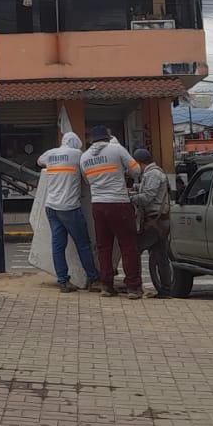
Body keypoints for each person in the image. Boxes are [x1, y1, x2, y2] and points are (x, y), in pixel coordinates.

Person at [82, 125, 143, 298]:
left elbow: (87, 181)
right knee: (128, 245)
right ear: (107, 138)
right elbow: (136, 170)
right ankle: (133, 287)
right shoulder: (116, 149)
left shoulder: (84, 157)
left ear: (92, 140)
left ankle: (107, 286)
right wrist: (123, 171)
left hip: (98, 205)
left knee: (103, 247)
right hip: (118, 203)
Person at [38, 131, 102, 293]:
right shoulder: (77, 155)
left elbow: (39, 161)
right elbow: (87, 172)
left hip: (51, 207)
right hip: (69, 208)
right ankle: (93, 279)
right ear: (75, 144)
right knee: (83, 244)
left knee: (58, 246)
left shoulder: (51, 153)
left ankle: (63, 281)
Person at [130, 148, 173, 298]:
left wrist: (129, 198)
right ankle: (165, 290)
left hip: (155, 221)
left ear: (139, 163)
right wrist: (135, 188)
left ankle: (135, 285)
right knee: (160, 256)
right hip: (160, 221)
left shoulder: (153, 174)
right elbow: (148, 189)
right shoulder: (153, 173)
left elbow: (147, 197)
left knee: (134, 250)